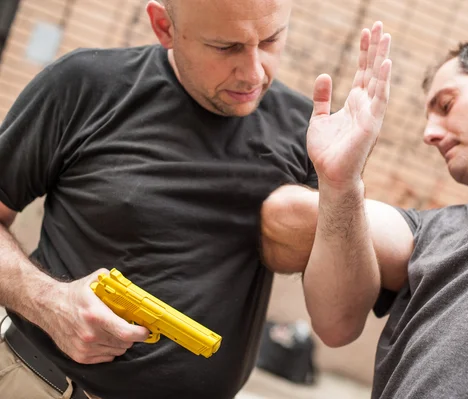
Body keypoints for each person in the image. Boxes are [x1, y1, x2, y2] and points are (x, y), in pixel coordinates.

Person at [0, 0, 393, 398]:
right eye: (226, 47)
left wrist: (344, 189)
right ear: (164, 26)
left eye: (271, 39)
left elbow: (339, 326)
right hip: (35, 383)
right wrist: (47, 301)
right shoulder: (84, 84)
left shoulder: (309, 133)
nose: (255, 71)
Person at [262, 39, 468, 398]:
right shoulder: (431, 231)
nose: (429, 134)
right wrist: (340, 184)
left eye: (446, 104)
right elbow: (333, 325)